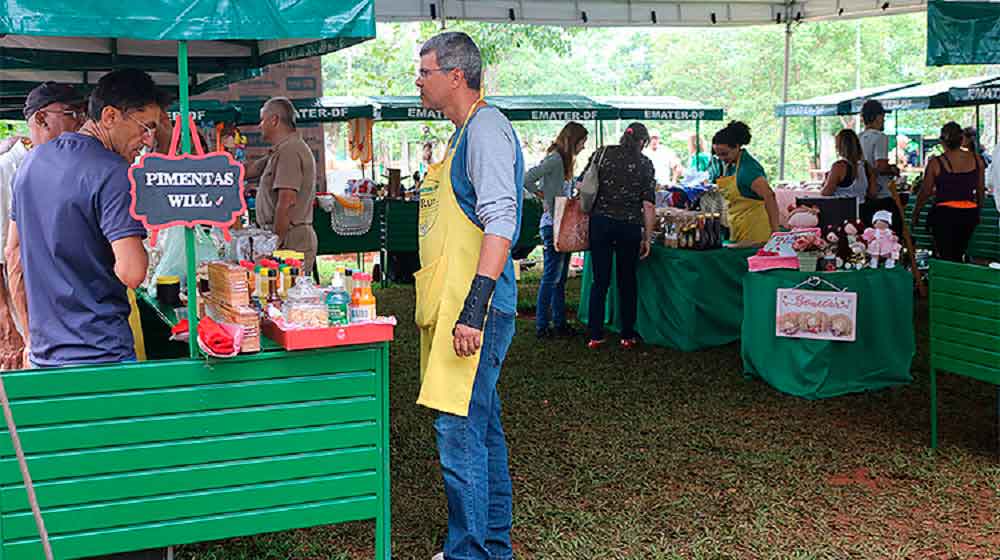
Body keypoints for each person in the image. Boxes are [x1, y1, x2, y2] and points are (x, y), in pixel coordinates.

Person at [414, 31, 524, 560]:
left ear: (455, 76)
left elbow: (502, 221)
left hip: (472, 310)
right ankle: (490, 545)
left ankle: (472, 553)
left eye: (425, 72)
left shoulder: (486, 129)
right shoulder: (462, 133)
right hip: (454, 304)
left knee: (457, 430)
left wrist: (474, 311)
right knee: (479, 427)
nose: (418, 81)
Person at [0, 82, 86, 370]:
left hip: (76, 329)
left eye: (84, 113)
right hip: (39, 331)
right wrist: (20, 332)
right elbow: (10, 256)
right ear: (40, 119)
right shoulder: (11, 170)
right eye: (74, 113)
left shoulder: (75, 167)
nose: (82, 123)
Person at [584, 122, 656, 351]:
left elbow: (582, 183)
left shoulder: (602, 153)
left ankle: (595, 335)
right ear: (642, 142)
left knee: (600, 280)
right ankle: (627, 335)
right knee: (627, 281)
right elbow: (648, 205)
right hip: (629, 226)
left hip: (600, 223)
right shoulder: (645, 164)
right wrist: (648, 237)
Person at [524, 121, 587, 339]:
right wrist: (543, 196)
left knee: (558, 278)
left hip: (562, 224)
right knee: (551, 277)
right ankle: (543, 325)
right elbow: (527, 177)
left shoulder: (563, 161)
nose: (583, 147)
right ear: (574, 141)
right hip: (553, 225)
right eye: (582, 142)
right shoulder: (555, 159)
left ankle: (558, 322)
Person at [245, 97, 318, 274]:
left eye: (262, 120)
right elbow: (249, 170)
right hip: (285, 236)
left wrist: (274, 243)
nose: (259, 125)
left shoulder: (290, 151)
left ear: (274, 120)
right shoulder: (282, 150)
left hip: (290, 239)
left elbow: (286, 202)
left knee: (287, 295)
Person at [913, 122, 985, 262]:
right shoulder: (977, 160)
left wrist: (916, 213)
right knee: (958, 251)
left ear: (942, 142)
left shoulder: (936, 163)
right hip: (969, 214)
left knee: (945, 254)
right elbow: (981, 189)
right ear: (961, 139)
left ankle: (946, 279)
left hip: (944, 215)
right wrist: (978, 211)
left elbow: (925, 192)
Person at [708, 121, 779, 243]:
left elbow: (769, 196)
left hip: (756, 231)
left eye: (725, 154)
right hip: (738, 227)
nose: (722, 159)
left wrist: (775, 232)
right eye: (718, 155)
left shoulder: (748, 169)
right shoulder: (730, 166)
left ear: (737, 146)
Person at [859, 99, 903, 234]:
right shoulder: (880, 137)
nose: (883, 120)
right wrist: (893, 169)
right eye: (883, 117)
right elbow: (881, 166)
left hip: (864, 192)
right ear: (878, 117)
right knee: (892, 233)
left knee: (868, 235)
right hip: (881, 194)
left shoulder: (858, 137)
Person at [821, 129, 877, 204]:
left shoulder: (839, 166)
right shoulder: (866, 166)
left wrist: (826, 180)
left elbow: (826, 193)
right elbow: (873, 193)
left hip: (842, 210)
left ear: (840, 146)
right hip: (863, 210)